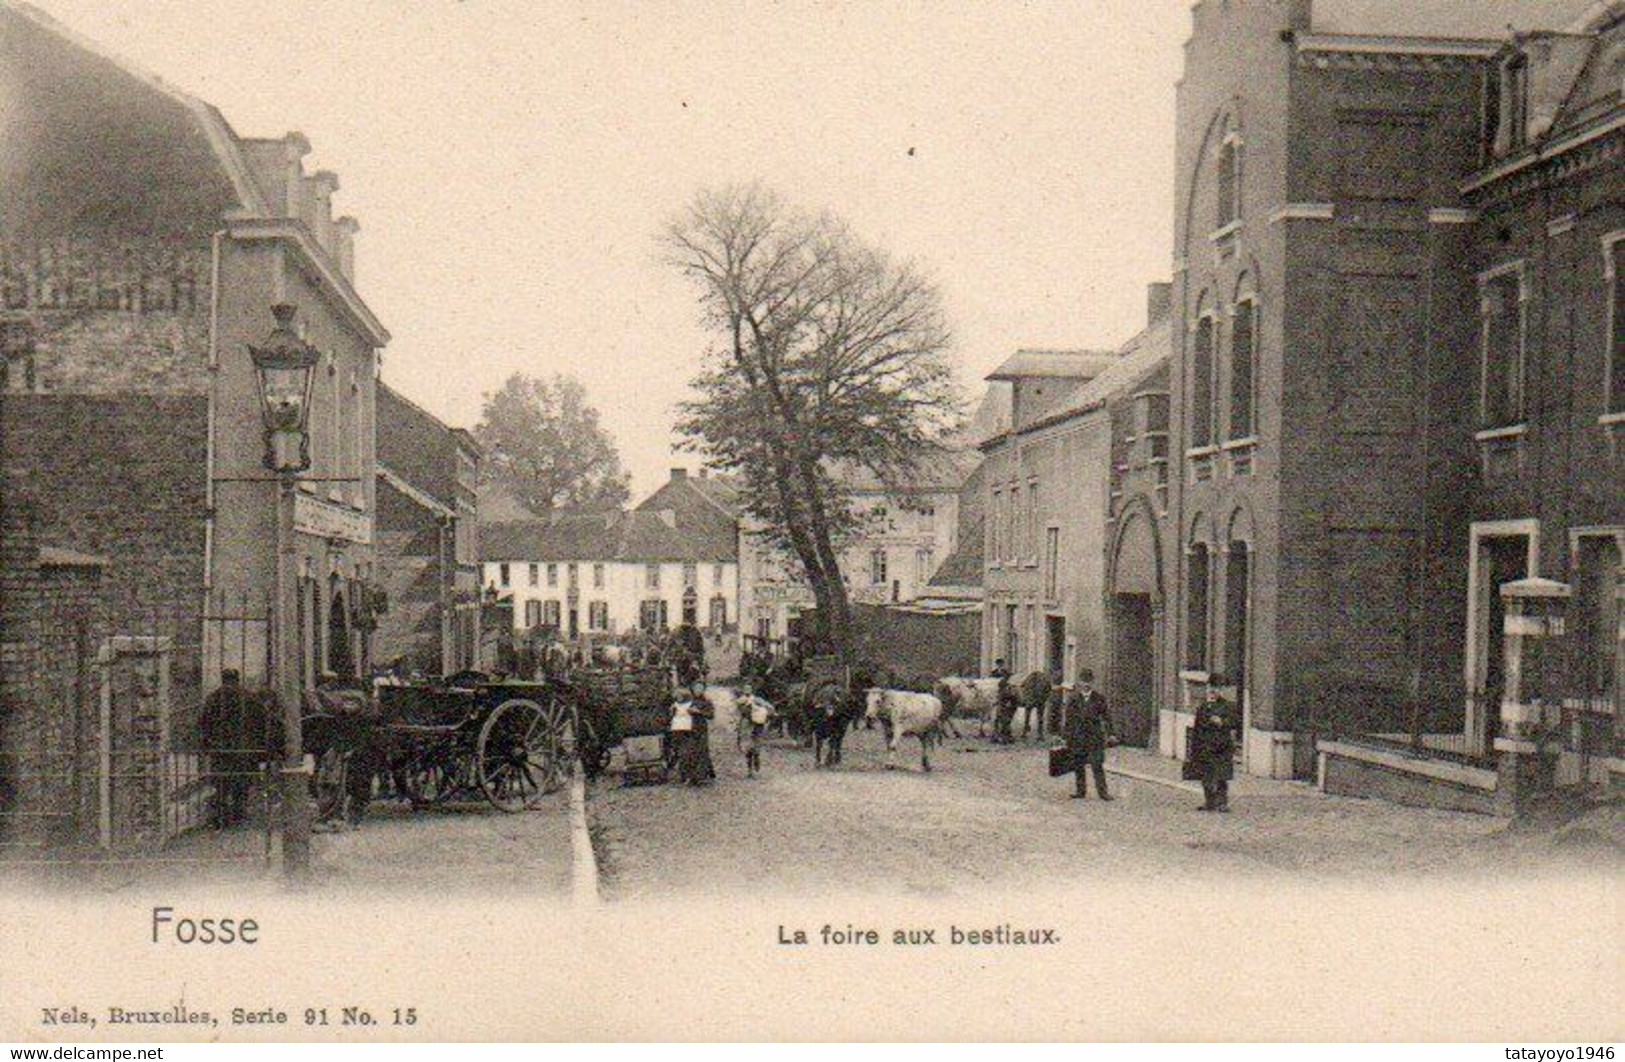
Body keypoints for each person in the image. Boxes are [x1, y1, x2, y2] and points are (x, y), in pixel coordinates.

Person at [199, 669, 278, 829]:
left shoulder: (213, 698)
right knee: (242, 780)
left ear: (222, 679)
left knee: (222, 780)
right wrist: (262, 745)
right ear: (237, 679)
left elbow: (204, 722)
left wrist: (206, 744)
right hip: (245, 748)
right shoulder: (249, 697)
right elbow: (263, 721)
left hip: (221, 748)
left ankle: (221, 815)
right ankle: (238, 812)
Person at [1061, 667, 1113, 800]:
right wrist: (1065, 737)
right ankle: (1080, 791)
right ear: (1079, 682)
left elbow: (1107, 717)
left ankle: (1103, 792)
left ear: (1093, 682)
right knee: (1078, 764)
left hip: (1094, 736)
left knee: (1097, 764)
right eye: (1084, 681)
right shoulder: (1073, 699)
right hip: (1077, 736)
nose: (1086, 684)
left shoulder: (1099, 698)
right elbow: (1068, 719)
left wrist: (1111, 733)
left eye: (1089, 681)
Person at [1187, 676, 1236, 811]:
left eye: (1216, 688)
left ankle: (1222, 803)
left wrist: (1222, 722)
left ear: (1221, 690)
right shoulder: (1202, 707)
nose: (1212, 691)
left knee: (1221, 776)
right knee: (1206, 776)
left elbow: (1234, 723)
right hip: (1205, 745)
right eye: (1210, 688)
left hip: (1221, 745)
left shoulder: (1227, 706)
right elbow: (1197, 728)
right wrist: (1194, 748)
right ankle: (1209, 801)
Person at [735, 678, 776, 778]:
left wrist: (765, 713)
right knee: (747, 748)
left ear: (752, 690)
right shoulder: (740, 701)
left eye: (749, 689)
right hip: (746, 725)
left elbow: (770, 708)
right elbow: (740, 713)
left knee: (757, 745)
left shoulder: (758, 700)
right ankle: (750, 770)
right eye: (745, 689)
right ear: (743, 690)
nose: (747, 691)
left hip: (758, 725)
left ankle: (756, 759)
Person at [990, 658, 1017, 744]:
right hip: (997, 698)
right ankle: (998, 736)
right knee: (998, 718)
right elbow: (991, 684)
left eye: (1001, 664)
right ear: (997, 665)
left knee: (1005, 718)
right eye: (999, 664)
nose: (1000, 665)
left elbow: (1012, 684)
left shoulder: (1008, 674)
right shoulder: (993, 673)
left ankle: (1004, 736)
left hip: (1005, 699)